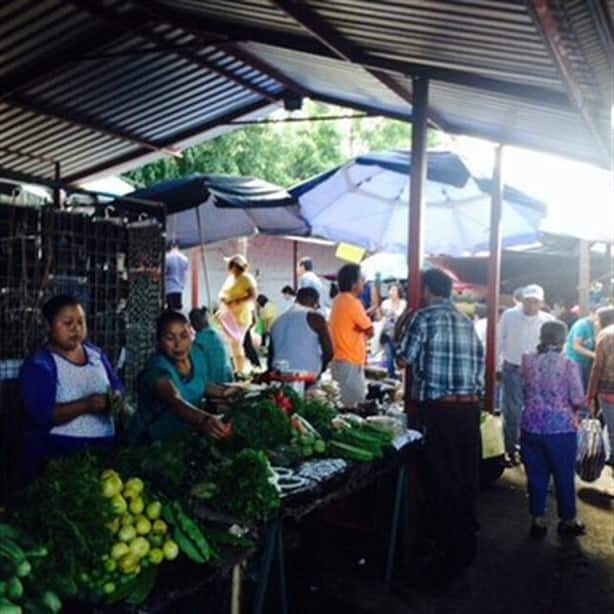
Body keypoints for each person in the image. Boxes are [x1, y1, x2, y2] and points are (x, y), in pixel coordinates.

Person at [397, 268, 484, 576]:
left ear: (427, 290)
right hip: (470, 409)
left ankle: (448, 553)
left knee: (442, 478)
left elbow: (403, 359)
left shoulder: (423, 318)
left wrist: (399, 326)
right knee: (465, 475)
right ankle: (466, 542)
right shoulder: (466, 322)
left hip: (440, 411)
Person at [20, 295, 123, 479]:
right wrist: (86, 405)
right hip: (61, 456)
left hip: (104, 453)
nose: (76, 328)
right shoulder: (40, 365)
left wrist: (115, 397)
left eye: (81, 322)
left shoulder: (96, 355)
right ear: (48, 326)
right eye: (67, 323)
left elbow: (116, 386)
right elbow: (41, 415)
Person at [520, 320, 586, 538]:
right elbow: (577, 398)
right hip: (561, 429)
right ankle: (567, 520)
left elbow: (524, 388)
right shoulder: (568, 365)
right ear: (562, 339)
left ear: (541, 336)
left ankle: (537, 520)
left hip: (530, 425)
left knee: (536, 475)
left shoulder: (528, 360)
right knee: (563, 475)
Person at [134, 311, 226, 443]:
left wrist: (227, 393)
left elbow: (198, 385)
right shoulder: (156, 368)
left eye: (184, 336)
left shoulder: (197, 354)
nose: (178, 344)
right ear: (159, 341)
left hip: (181, 439)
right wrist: (206, 420)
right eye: (170, 338)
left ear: (191, 334)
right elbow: (175, 401)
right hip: (150, 444)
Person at [499, 284, 554, 464]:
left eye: (534, 302)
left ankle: (528, 448)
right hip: (512, 368)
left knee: (534, 411)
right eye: (527, 301)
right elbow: (499, 340)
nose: (530, 305)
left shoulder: (548, 320)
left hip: (537, 372)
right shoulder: (509, 316)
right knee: (512, 412)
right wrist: (495, 366)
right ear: (522, 301)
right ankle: (510, 449)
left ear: (541, 303)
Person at [329, 265, 374, 406]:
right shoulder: (352, 302)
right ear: (354, 283)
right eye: (361, 279)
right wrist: (361, 329)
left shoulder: (338, 299)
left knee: (342, 402)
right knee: (354, 405)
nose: (363, 283)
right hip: (350, 361)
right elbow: (370, 330)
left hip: (340, 359)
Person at [268, 287, 333, 376]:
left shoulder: (277, 321)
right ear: (315, 303)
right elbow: (329, 352)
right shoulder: (316, 319)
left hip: (278, 375)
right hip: (307, 375)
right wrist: (322, 369)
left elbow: (271, 355)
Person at [217, 254, 257, 373]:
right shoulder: (230, 278)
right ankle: (237, 368)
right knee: (233, 345)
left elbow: (253, 295)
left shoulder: (246, 278)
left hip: (241, 316)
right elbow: (223, 293)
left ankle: (240, 370)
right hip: (229, 315)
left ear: (235, 266)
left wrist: (236, 301)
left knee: (237, 343)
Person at [587, 307, 614, 466]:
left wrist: (591, 393)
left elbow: (597, 367)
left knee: (612, 428)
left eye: (597, 320)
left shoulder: (605, 335)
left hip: (608, 391)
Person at [189, 307, 234, 385]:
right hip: (228, 379)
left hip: (213, 384)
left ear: (194, 324)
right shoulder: (218, 334)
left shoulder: (199, 342)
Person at [565, 307, 599, 394]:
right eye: (598, 316)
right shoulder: (581, 325)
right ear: (592, 313)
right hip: (575, 361)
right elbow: (576, 346)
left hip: (586, 362)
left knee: (585, 388)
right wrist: (594, 355)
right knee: (577, 389)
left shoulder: (594, 325)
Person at [380, 284, 407, 378]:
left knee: (398, 355)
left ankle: (400, 375)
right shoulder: (385, 303)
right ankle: (391, 375)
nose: (391, 292)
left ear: (399, 291)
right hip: (387, 333)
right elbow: (382, 316)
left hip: (399, 334)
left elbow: (401, 316)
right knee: (389, 355)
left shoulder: (403, 303)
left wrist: (392, 313)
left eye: (394, 290)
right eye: (390, 290)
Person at [165, 242, 189, 310]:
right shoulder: (185, 258)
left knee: (170, 309)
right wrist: (182, 285)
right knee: (177, 309)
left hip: (169, 287)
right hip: (179, 288)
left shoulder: (167, 257)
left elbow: (164, 271)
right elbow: (185, 274)